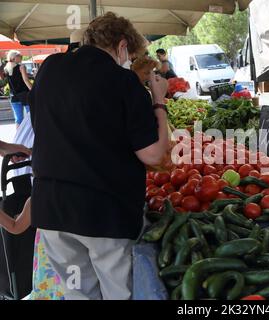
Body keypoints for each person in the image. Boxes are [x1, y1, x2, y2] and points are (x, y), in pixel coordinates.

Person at [28, 12, 169, 300]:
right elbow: (154, 155)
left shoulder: (49, 69)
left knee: (78, 293)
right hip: (105, 214)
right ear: (121, 46)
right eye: (130, 53)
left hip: (53, 210)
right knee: (120, 293)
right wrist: (159, 101)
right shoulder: (123, 81)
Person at [4, 50, 33, 127]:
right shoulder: (21, 67)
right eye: (19, 56)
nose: (21, 57)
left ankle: (18, 138)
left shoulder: (6, 68)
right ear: (14, 58)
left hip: (14, 96)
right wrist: (33, 90)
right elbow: (26, 80)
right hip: (25, 95)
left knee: (18, 120)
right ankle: (30, 138)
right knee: (31, 117)